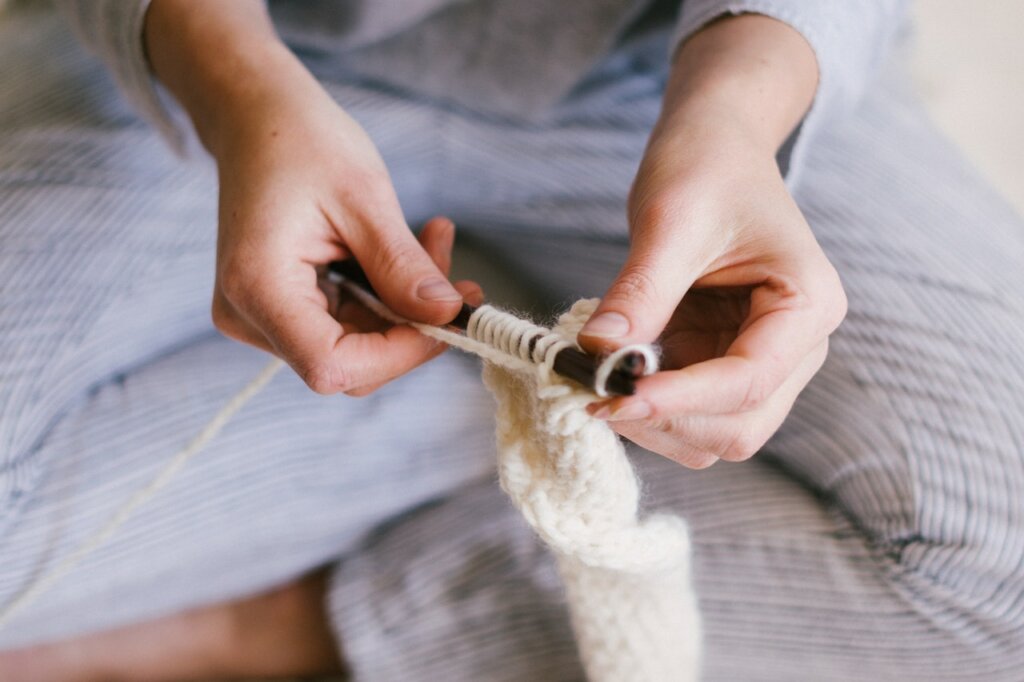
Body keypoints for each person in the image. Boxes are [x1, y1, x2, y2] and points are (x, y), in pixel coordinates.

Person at [1, 0, 1023, 679]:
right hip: (229, 60)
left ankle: (275, 616)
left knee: (1004, 574)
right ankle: (494, 407)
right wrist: (234, 87)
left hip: (693, 67)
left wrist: (738, 111)